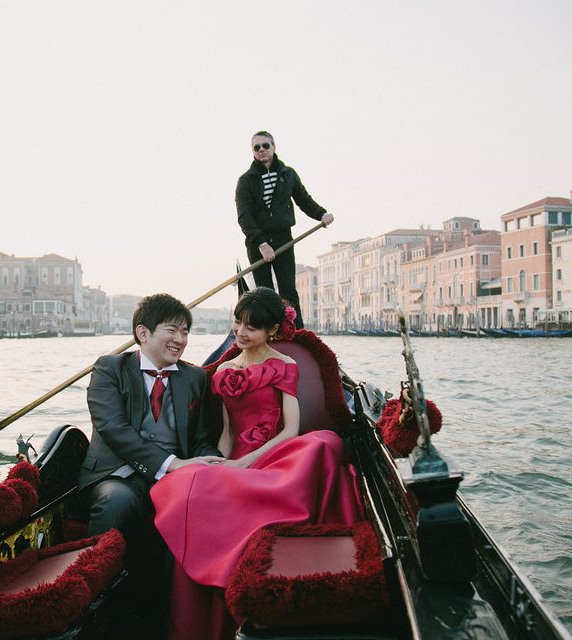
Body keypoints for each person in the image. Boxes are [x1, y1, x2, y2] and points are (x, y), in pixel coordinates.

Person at [151, 287, 362, 640]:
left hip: (278, 450)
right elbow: (228, 433)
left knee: (322, 444)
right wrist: (223, 462)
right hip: (238, 457)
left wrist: (248, 462)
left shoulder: (285, 365)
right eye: (238, 323)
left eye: (252, 327)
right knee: (197, 482)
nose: (241, 332)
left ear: (271, 331)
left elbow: (291, 429)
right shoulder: (223, 372)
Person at [78, 293, 224, 540]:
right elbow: (114, 428)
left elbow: (201, 439)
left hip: (175, 479)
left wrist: (215, 464)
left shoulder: (195, 377)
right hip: (116, 475)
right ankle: (96, 569)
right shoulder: (109, 369)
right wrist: (171, 464)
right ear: (143, 333)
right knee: (117, 500)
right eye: (172, 330)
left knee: (202, 499)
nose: (180, 339)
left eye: (185, 332)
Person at [235, 131, 334, 329]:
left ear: (273, 147)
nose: (261, 150)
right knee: (264, 293)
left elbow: (304, 200)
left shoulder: (288, 174)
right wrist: (262, 243)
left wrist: (322, 214)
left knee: (289, 291)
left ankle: (296, 334)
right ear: (252, 152)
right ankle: (269, 334)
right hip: (257, 242)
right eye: (257, 148)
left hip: (283, 239)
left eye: (265, 146)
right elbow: (244, 216)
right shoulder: (245, 181)